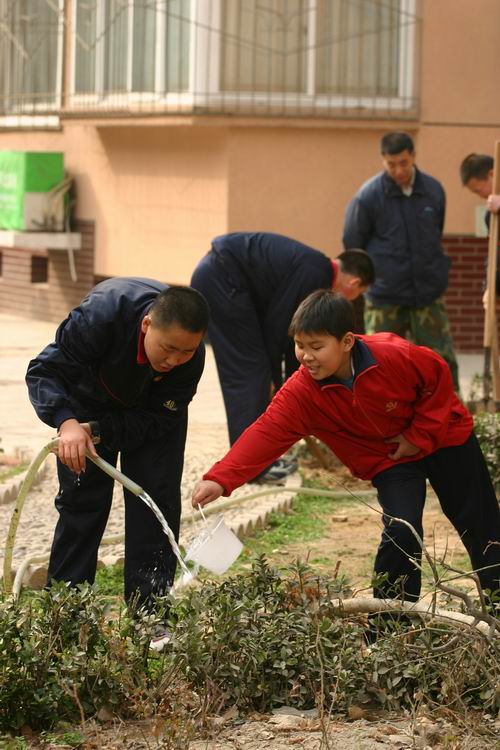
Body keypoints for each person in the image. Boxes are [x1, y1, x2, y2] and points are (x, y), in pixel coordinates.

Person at [192, 290, 500, 607]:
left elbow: (437, 378)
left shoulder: (392, 354)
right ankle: (391, 626)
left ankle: (498, 598)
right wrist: (220, 478)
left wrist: (417, 436)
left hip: (444, 438)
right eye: (300, 345)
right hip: (389, 459)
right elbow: (265, 433)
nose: (306, 356)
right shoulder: (301, 394)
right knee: (401, 530)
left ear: (347, 341)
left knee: (479, 521)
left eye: (316, 346)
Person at [26, 278, 209, 639]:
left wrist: (101, 430)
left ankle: (150, 616)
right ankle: (67, 613)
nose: (174, 360)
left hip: (151, 418)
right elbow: (44, 371)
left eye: (185, 352)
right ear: (146, 326)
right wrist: (68, 423)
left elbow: (158, 419)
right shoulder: (100, 318)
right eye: (168, 348)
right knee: (82, 501)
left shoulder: (190, 358)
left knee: (155, 500)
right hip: (88, 399)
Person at [191, 231, 374, 482]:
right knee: (251, 370)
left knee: (256, 369)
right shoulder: (315, 271)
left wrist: (286, 380)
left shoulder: (315, 268)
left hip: (222, 277)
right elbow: (281, 328)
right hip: (222, 278)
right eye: (359, 294)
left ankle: (255, 461)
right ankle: (252, 466)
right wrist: (278, 381)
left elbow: (291, 339)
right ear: (354, 284)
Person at [343, 131, 460, 391]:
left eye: (403, 163)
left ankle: (451, 425)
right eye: (391, 164)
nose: (398, 170)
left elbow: (436, 233)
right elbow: (353, 245)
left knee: (440, 363)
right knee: (378, 367)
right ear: (383, 161)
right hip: (386, 297)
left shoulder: (433, 190)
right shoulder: (368, 196)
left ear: (414, 157)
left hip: (428, 295)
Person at [459, 152, 500, 303]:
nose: (480, 196)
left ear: (492, 174)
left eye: (478, 190)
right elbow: (495, 254)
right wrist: (491, 286)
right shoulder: (491, 216)